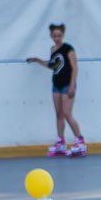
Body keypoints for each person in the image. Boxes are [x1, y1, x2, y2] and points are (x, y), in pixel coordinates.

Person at [25, 22, 85, 157]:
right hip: (56, 85)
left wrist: (72, 85)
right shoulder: (52, 49)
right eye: (54, 35)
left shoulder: (68, 48)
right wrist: (37, 60)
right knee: (58, 114)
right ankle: (60, 143)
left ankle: (80, 142)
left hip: (67, 85)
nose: (57, 38)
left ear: (63, 35)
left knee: (67, 113)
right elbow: (52, 66)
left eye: (59, 35)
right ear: (51, 36)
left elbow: (75, 67)